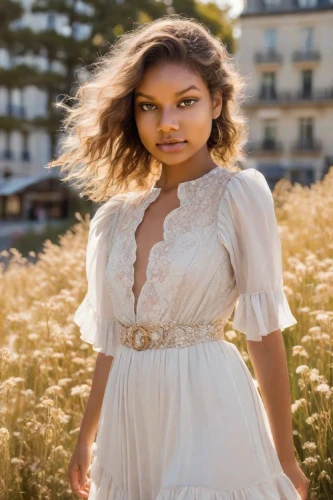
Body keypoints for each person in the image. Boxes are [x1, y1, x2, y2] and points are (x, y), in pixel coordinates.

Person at [48, 15, 310, 500]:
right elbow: (113, 342)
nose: (167, 123)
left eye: (186, 102)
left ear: (217, 102)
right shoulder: (115, 218)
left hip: (207, 408)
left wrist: (285, 456)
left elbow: (265, 333)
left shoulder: (239, 196)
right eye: (149, 106)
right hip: (130, 421)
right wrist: (86, 437)